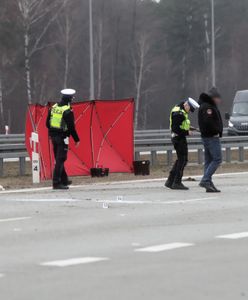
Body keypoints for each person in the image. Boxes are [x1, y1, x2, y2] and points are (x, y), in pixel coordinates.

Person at [46, 89, 80, 190]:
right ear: (69, 99)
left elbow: (47, 124)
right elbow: (71, 127)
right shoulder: (67, 110)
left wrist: (54, 132)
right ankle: (56, 183)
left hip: (53, 136)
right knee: (61, 159)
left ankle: (64, 180)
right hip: (62, 137)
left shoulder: (53, 108)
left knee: (58, 158)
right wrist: (76, 139)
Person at [165, 98, 200, 190]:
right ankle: (177, 182)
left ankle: (170, 181)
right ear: (187, 105)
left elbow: (181, 124)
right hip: (178, 138)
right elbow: (175, 128)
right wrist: (187, 133)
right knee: (183, 160)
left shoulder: (180, 110)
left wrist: (191, 128)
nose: (189, 111)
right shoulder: (178, 113)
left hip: (179, 137)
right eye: (190, 109)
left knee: (181, 159)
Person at [198, 87, 223, 193]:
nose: (219, 101)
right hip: (211, 137)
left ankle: (208, 183)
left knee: (208, 161)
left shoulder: (205, 105)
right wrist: (217, 130)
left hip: (206, 137)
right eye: (218, 98)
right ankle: (205, 180)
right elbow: (208, 122)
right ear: (213, 98)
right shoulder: (208, 108)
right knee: (217, 159)